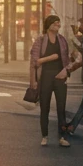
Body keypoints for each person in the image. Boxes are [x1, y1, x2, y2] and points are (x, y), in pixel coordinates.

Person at [30, 15, 72, 147]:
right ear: (48, 25)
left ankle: (62, 137)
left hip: (60, 77)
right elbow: (35, 61)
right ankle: (45, 136)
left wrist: (66, 71)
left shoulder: (62, 40)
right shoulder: (40, 40)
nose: (58, 25)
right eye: (55, 23)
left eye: (59, 23)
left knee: (61, 108)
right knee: (45, 108)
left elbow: (67, 59)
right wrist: (33, 81)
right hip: (45, 77)